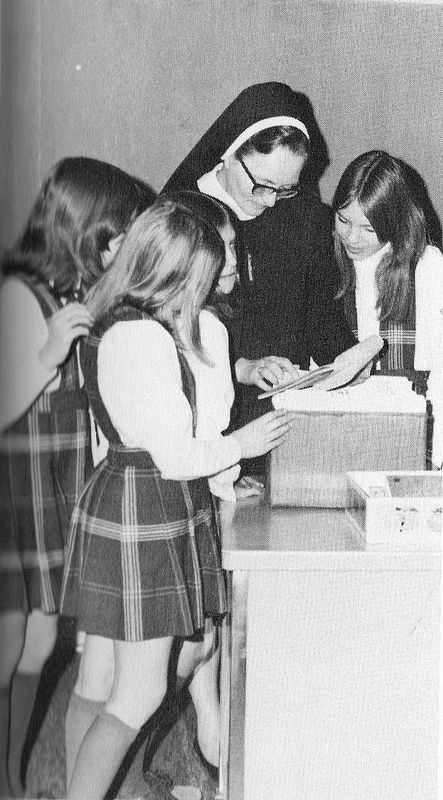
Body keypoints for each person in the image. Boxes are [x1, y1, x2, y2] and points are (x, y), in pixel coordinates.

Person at [60, 194, 295, 799]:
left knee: (109, 682)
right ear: (176, 273)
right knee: (135, 697)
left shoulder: (132, 327)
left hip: (139, 501)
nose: (212, 288)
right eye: (206, 275)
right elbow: (177, 455)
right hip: (146, 505)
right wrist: (246, 438)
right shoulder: (140, 341)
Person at [0, 156, 151, 798]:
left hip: (54, 484)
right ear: (84, 229)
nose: (121, 250)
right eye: (117, 236)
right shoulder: (18, 292)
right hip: (15, 493)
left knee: (37, 642)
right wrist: (44, 354)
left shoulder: (68, 295)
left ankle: (11, 767)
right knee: (9, 645)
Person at [163, 82, 362, 447]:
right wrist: (247, 366)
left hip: (285, 425)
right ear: (229, 153)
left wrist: (349, 362)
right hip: (207, 431)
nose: (271, 202)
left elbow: (319, 314)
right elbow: (169, 338)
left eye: (286, 189)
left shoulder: (304, 218)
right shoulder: (182, 218)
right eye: (263, 185)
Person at [332, 149, 443, 468]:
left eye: (369, 229)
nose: (352, 238)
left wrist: (435, 462)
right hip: (346, 428)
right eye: (343, 220)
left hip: (413, 429)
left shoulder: (427, 266)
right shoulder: (330, 262)